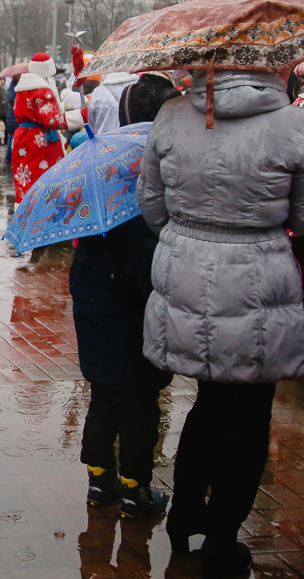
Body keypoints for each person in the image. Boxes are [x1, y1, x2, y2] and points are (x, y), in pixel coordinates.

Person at [138, 68, 304, 577]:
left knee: (207, 403)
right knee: (250, 416)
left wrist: (187, 239)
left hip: (183, 270)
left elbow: (149, 200)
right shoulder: (292, 125)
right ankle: (223, 539)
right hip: (258, 277)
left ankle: (186, 514)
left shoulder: (169, 113)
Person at [70, 75, 180, 520]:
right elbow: (151, 275)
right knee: (139, 413)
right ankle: (136, 489)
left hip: (95, 319)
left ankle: (99, 480)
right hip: (135, 331)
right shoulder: (149, 187)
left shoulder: (98, 174)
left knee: (102, 402)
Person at [11, 53, 83, 203]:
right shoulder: (42, 90)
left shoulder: (23, 88)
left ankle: (24, 218)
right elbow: (51, 119)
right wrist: (82, 116)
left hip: (23, 138)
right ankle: (45, 218)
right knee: (47, 183)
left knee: (26, 184)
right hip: (41, 142)